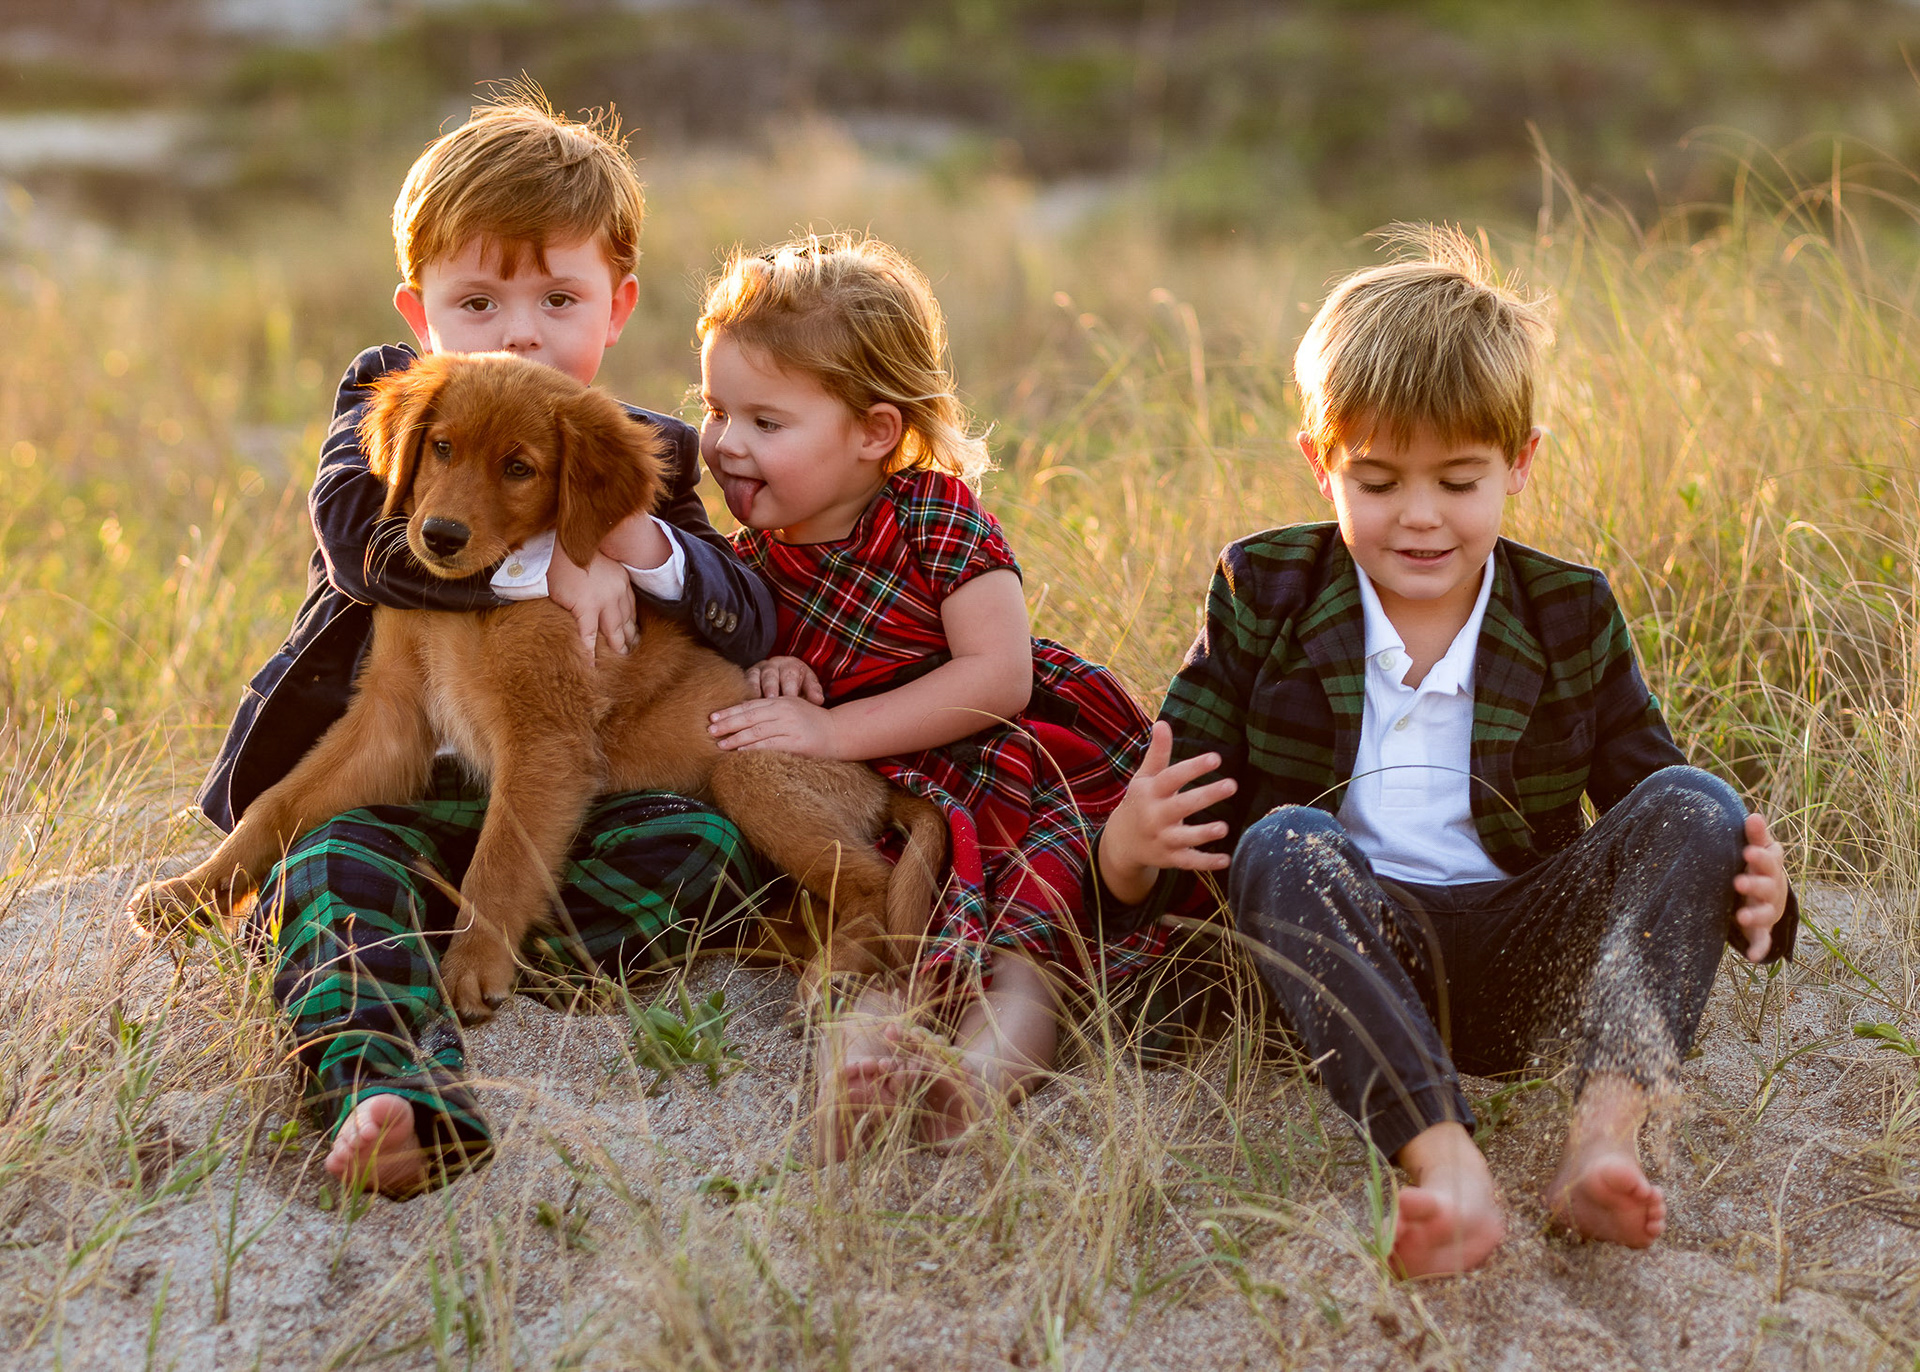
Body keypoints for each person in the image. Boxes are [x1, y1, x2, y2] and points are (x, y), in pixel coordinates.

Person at [1094, 226, 1796, 1277]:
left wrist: (1759, 890)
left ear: (1520, 464)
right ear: (1319, 461)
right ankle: (1445, 1160)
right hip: (1347, 954)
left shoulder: (1569, 611)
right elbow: (1170, 824)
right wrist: (1127, 848)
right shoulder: (1264, 589)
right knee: (1282, 840)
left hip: (1528, 954)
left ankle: (1602, 1141)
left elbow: (1656, 806)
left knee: (1699, 799)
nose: (1419, 519)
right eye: (1377, 482)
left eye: (1458, 482)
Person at [198, 93, 776, 1198]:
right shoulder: (390, 393)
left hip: (570, 806)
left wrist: (627, 540)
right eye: (478, 300)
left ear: (618, 308)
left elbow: (744, 612)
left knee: (702, 843)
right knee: (326, 860)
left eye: (559, 298)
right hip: (392, 801)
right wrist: (542, 554)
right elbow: (361, 544)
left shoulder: (637, 445)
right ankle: (389, 1087)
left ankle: (443, 933)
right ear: (420, 312)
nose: (519, 331)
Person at [697, 234, 1166, 1158]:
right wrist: (772, 673)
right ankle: (858, 1073)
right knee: (879, 943)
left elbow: (999, 677)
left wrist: (829, 728)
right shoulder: (749, 567)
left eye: (765, 422)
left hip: (1011, 773)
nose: (725, 443)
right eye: (715, 410)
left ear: (875, 431)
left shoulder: (930, 511)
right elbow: (762, 687)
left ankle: (977, 1085)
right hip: (895, 800)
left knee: (1019, 951)